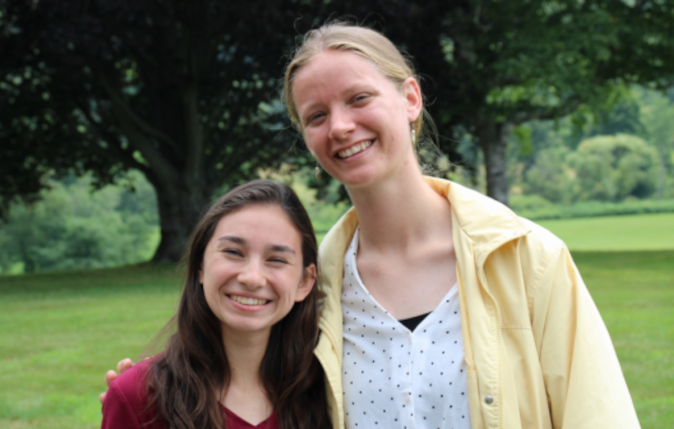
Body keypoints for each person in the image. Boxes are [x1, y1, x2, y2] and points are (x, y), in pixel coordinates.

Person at [103, 22, 640, 428]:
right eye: (316, 116)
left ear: (409, 99)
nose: (340, 126)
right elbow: (238, 376)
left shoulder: (526, 259)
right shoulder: (319, 289)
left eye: (359, 98)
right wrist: (146, 393)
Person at [100, 180, 331, 429]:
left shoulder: (334, 393)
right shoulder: (139, 397)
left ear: (305, 282)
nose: (252, 278)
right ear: (200, 264)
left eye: (276, 259)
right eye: (233, 252)